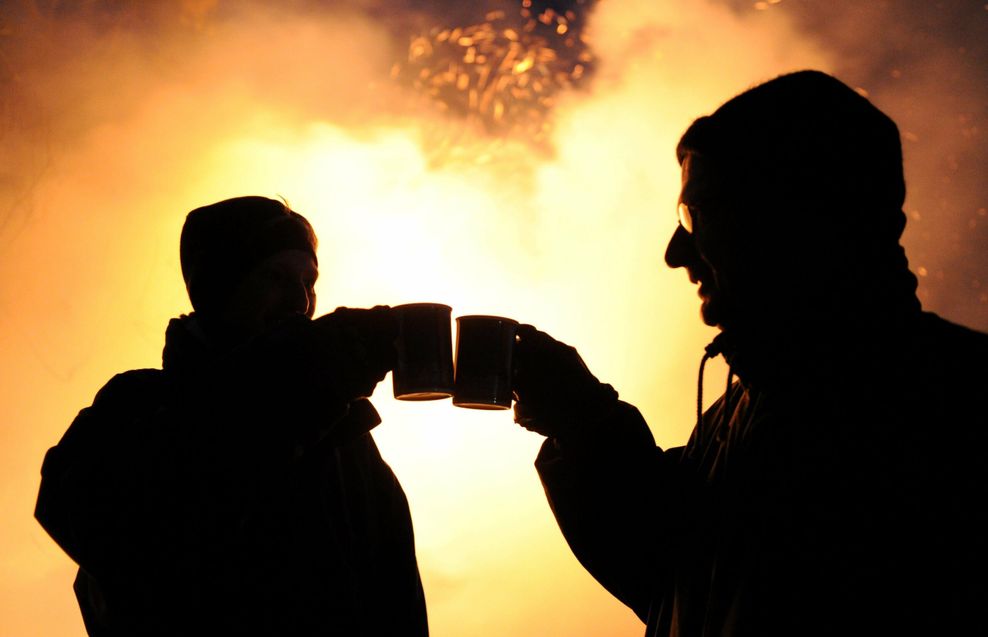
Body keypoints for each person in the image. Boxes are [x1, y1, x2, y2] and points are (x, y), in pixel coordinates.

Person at [511, 70, 988, 636]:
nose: (674, 251)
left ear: (795, 220)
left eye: (699, 216)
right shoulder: (749, 406)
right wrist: (583, 421)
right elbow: (671, 564)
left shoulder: (961, 413)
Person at [35, 196, 428, 636]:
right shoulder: (137, 406)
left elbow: (396, 604)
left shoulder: (348, 437)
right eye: (275, 278)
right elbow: (122, 533)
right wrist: (303, 381)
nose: (300, 300)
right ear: (220, 289)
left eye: (309, 281)